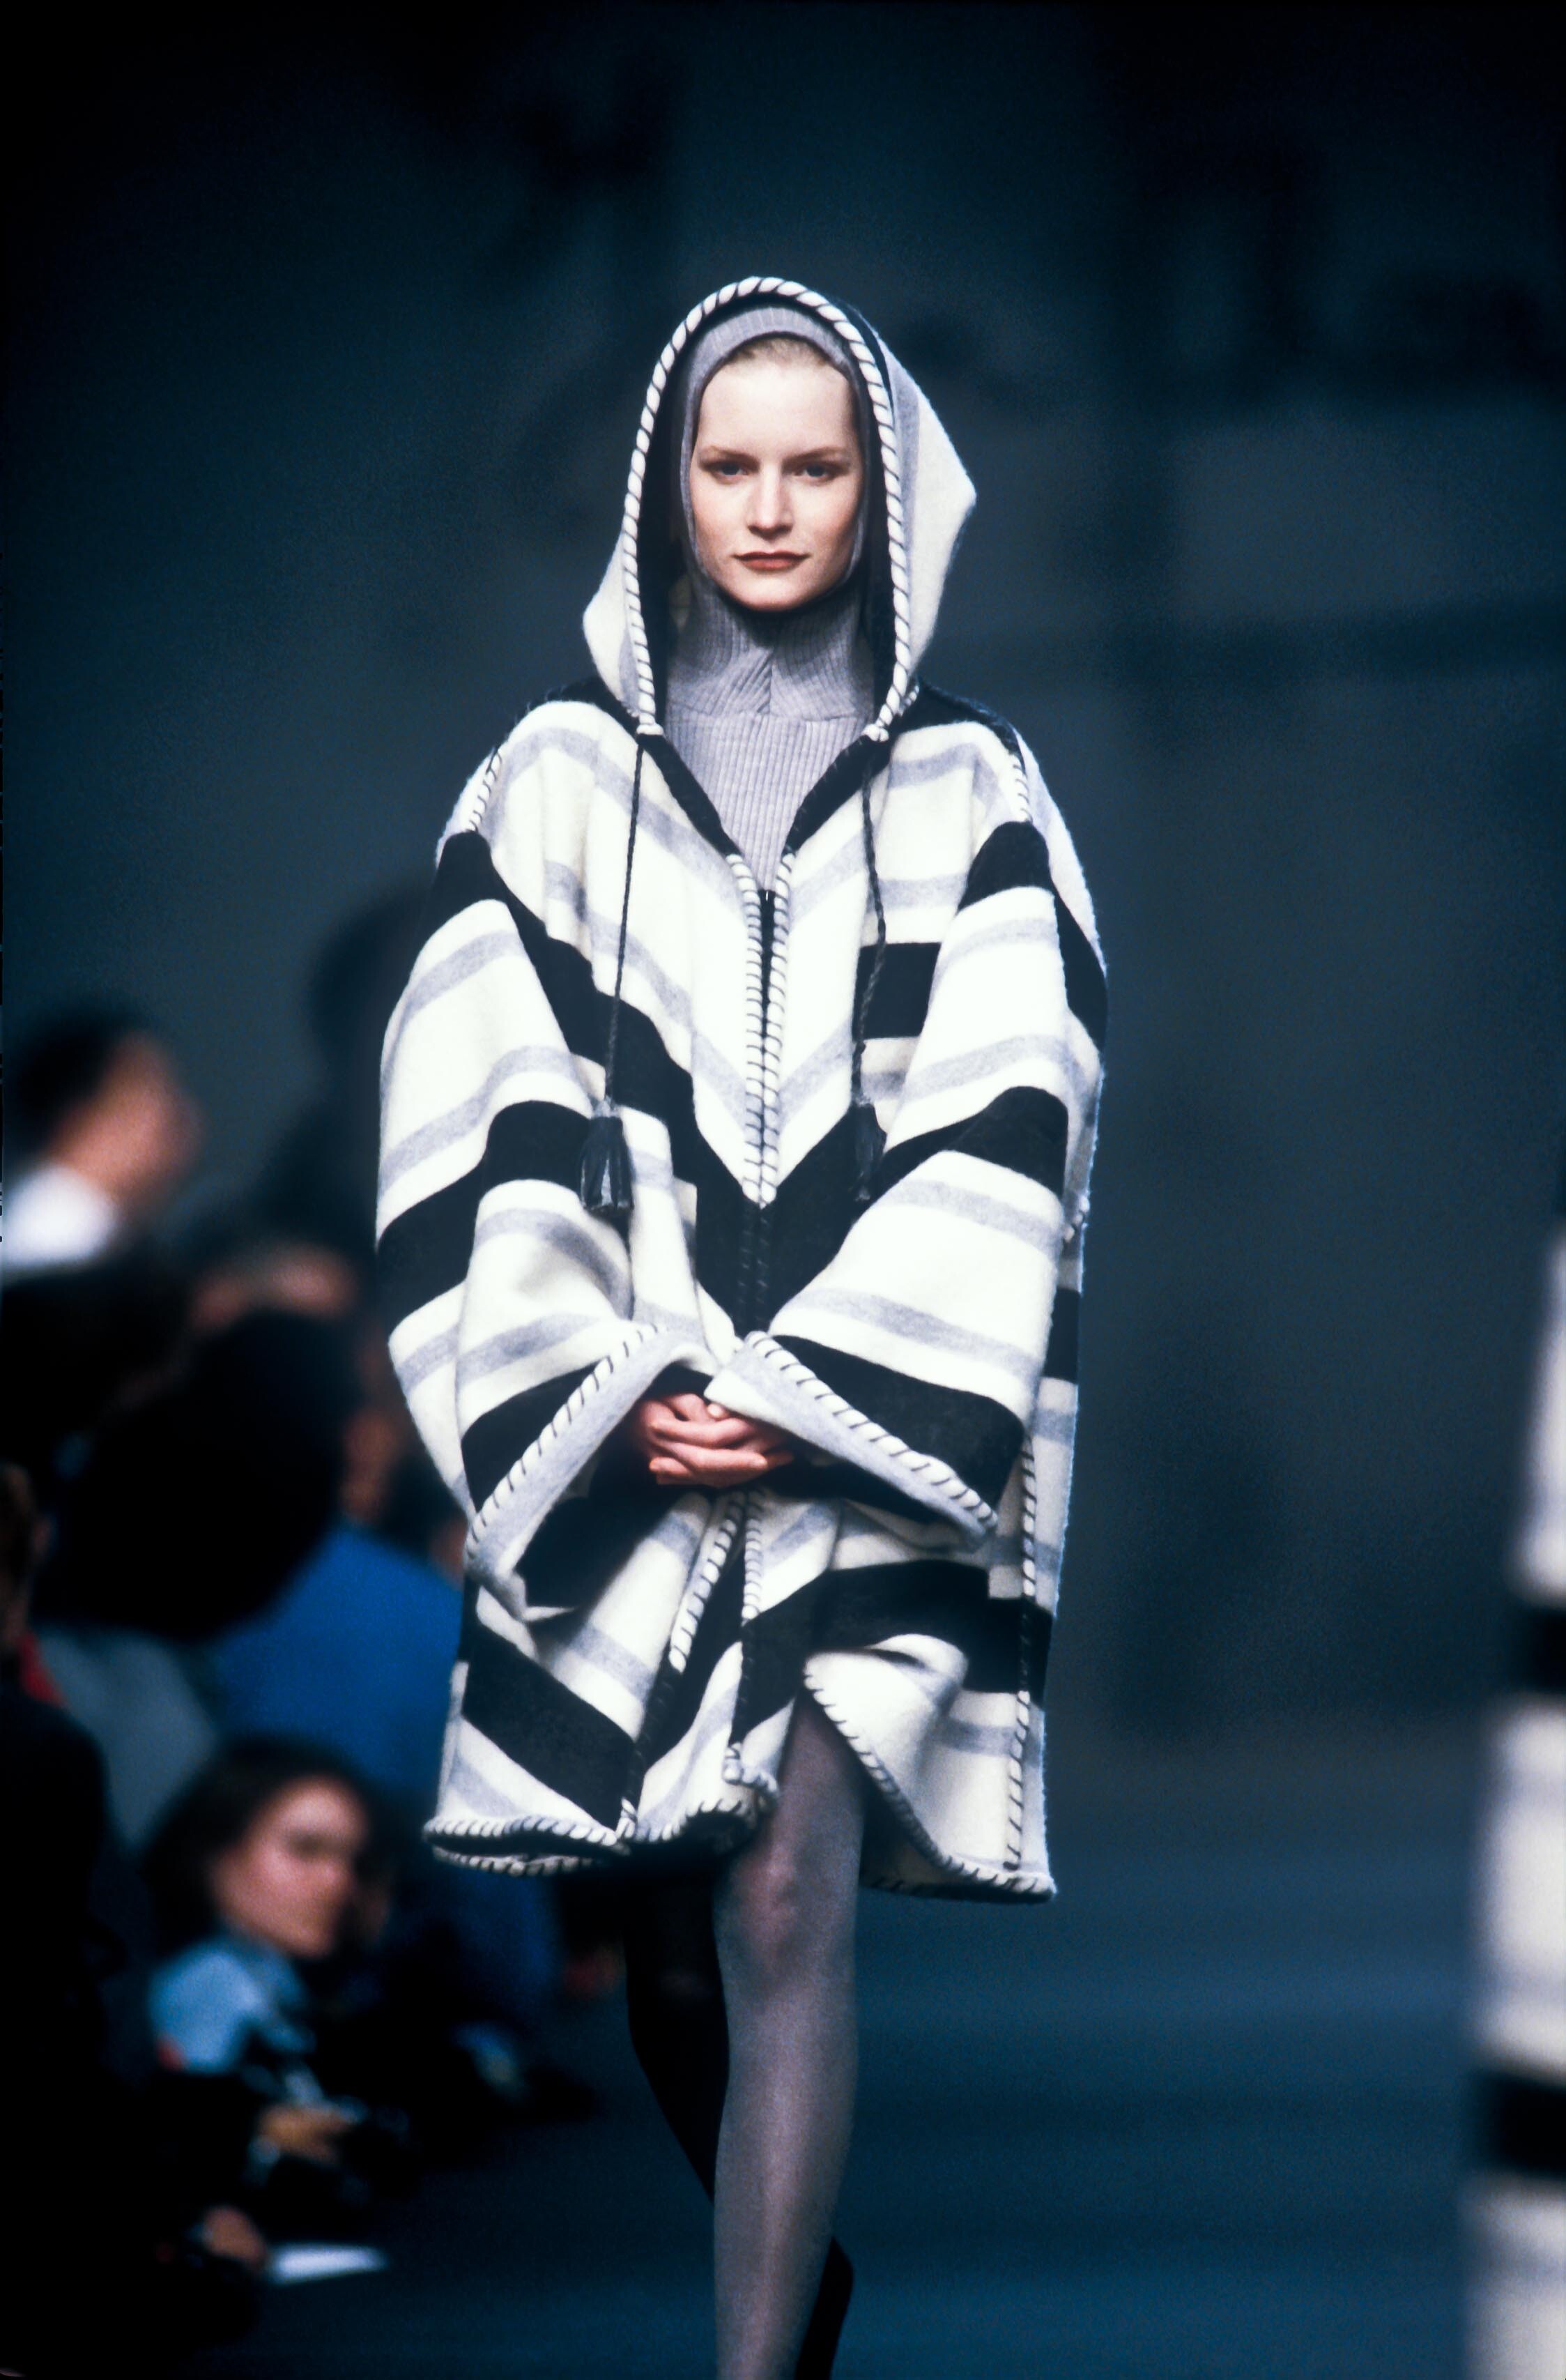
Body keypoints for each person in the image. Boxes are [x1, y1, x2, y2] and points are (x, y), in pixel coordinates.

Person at [378, 277, 1106, 2380]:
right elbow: (475, 1097)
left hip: (864, 1440)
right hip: (624, 1428)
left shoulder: (973, 788)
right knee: (670, 1934)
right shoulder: (548, 783)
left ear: (885, 493)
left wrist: (818, 1393)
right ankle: (792, 2288)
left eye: (814, 466)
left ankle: (752, 2362)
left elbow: (1016, 1107)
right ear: (665, 484)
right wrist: (606, 1382)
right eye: (729, 464)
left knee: (787, 1885)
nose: (770, 506)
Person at [3, 1007, 202, 1279]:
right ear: (76, 1119)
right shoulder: (51, 1238)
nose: (177, 1116)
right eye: (146, 1095)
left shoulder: (97, 1232)